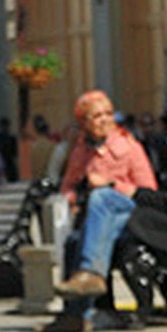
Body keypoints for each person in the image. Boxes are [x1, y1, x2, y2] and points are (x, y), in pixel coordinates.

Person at [54, 89, 156, 298]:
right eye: (97, 116)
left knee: (101, 197)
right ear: (84, 122)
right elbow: (67, 187)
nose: (105, 120)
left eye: (108, 114)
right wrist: (72, 199)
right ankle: (75, 314)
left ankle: (91, 272)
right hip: (98, 220)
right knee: (74, 240)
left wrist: (110, 185)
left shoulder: (129, 147)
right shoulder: (80, 151)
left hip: (129, 215)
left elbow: (148, 192)